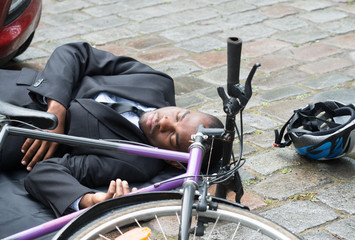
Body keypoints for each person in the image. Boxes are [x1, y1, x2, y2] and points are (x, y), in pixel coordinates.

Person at [0, 42, 223, 217]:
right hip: (11, 86)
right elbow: (76, 53)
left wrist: (88, 200)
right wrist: (56, 109)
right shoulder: (156, 82)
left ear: (173, 160)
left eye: (172, 137)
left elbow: (44, 173)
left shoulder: (136, 160)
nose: (164, 121)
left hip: (10, 137)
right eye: (179, 115)